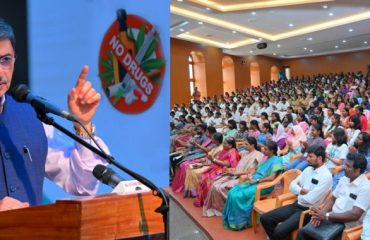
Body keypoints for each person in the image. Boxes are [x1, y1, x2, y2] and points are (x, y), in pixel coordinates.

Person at [0, 18, 108, 210]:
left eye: (5, 60)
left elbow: (81, 183)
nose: (1, 72)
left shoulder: (31, 118)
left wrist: (82, 125)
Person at [261, 145, 332, 240]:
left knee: (278, 231)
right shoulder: (308, 169)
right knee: (265, 218)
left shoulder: (326, 176)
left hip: (308, 211)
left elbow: (311, 199)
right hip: (296, 205)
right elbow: (292, 184)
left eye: (310, 157)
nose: (307, 159)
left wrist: (298, 195)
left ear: (319, 158)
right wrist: (301, 191)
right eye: (307, 156)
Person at [297, 153, 370, 240]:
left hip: (346, 225)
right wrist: (320, 215)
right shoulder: (344, 180)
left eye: (348, 166)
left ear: (357, 170)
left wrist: (326, 216)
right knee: (303, 232)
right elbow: (332, 199)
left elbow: (354, 215)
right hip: (332, 217)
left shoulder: (366, 187)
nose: (344, 168)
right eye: (345, 164)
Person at [222, 141, 283, 230]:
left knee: (237, 196)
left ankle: (242, 222)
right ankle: (232, 220)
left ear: (272, 151)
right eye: (263, 148)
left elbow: (271, 178)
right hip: (254, 181)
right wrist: (250, 176)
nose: (263, 150)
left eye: (266, 149)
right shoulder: (265, 157)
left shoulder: (277, 160)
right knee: (232, 192)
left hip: (264, 185)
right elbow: (256, 169)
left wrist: (257, 180)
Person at [203, 137, 264, 217]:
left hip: (244, 178)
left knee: (220, 187)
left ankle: (225, 209)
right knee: (215, 183)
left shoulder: (258, 155)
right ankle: (217, 208)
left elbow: (249, 172)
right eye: (244, 144)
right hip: (235, 174)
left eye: (246, 144)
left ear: (253, 145)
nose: (244, 146)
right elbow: (238, 166)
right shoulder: (245, 153)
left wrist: (234, 174)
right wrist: (229, 170)